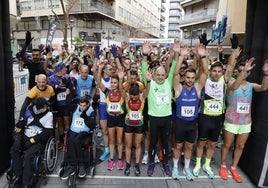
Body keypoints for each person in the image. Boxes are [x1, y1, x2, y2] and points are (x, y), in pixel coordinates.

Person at [192, 40, 241, 179]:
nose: (216, 73)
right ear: (211, 71)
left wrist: (232, 50)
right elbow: (203, 70)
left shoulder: (224, 80)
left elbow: (231, 66)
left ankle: (207, 165)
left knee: (212, 143)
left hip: (218, 117)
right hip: (205, 116)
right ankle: (197, 164)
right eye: (214, 70)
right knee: (201, 142)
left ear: (222, 73)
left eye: (219, 71)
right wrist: (202, 56)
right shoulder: (205, 79)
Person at [219, 59, 268, 183]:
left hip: (245, 122)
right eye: (240, 71)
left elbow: (263, 87)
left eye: (245, 71)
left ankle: (234, 167)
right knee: (227, 144)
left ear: (249, 73)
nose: (243, 73)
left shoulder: (251, 85)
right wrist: (244, 69)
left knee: (240, 146)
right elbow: (235, 87)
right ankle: (223, 165)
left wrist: (266, 74)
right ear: (237, 72)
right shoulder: (231, 83)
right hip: (231, 121)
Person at [172, 44, 208, 180]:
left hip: (192, 124)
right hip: (180, 123)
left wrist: (203, 56)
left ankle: (187, 168)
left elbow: (205, 73)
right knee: (178, 146)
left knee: (189, 147)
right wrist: (181, 57)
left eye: (192, 78)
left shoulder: (197, 89)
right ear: (184, 78)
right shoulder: (179, 89)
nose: (190, 80)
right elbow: (175, 74)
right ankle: (175, 168)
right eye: (188, 77)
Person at [141, 41, 177, 177]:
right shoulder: (149, 83)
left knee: (166, 143)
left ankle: (166, 164)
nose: (161, 77)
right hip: (153, 118)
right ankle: (151, 163)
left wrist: (176, 53)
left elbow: (173, 67)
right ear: (154, 75)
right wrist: (145, 54)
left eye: (163, 75)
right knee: (153, 142)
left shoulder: (168, 82)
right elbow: (145, 68)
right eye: (158, 75)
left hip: (167, 118)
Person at [10, 97, 53, 188]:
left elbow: (47, 133)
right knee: (15, 149)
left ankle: (27, 182)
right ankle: (18, 175)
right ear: (37, 108)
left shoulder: (49, 115)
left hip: (38, 140)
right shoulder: (29, 111)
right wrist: (19, 126)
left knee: (28, 155)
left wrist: (32, 140)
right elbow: (22, 122)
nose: (45, 109)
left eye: (46, 107)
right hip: (26, 136)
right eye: (43, 108)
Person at [97, 62, 125, 171]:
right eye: (112, 82)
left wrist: (121, 79)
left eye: (115, 83)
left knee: (119, 140)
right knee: (112, 140)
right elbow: (99, 82)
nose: (113, 84)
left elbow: (122, 90)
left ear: (118, 83)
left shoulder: (121, 92)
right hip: (111, 118)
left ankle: (120, 160)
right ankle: (112, 159)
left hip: (120, 118)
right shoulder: (107, 92)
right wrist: (99, 69)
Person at [61, 96, 96, 179]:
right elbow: (68, 104)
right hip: (73, 131)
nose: (82, 107)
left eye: (84, 105)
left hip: (84, 132)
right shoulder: (75, 108)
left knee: (76, 141)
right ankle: (75, 164)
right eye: (81, 105)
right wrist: (68, 94)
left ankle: (77, 165)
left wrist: (85, 117)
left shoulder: (91, 111)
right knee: (70, 140)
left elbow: (92, 125)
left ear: (88, 105)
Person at [123, 75, 150, 176]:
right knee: (129, 145)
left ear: (139, 94)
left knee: (138, 145)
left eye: (136, 95)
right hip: (128, 124)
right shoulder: (127, 98)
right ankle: (128, 164)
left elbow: (147, 90)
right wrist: (124, 79)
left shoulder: (142, 98)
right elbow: (123, 90)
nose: (134, 97)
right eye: (132, 95)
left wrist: (148, 81)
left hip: (139, 124)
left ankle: (137, 164)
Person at [48, 62, 73, 149]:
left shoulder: (67, 77)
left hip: (66, 103)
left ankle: (68, 140)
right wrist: (59, 86)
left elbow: (71, 87)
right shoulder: (51, 79)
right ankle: (61, 141)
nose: (66, 69)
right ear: (61, 69)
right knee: (59, 122)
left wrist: (69, 90)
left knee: (66, 121)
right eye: (64, 68)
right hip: (57, 104)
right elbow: (51, 93)